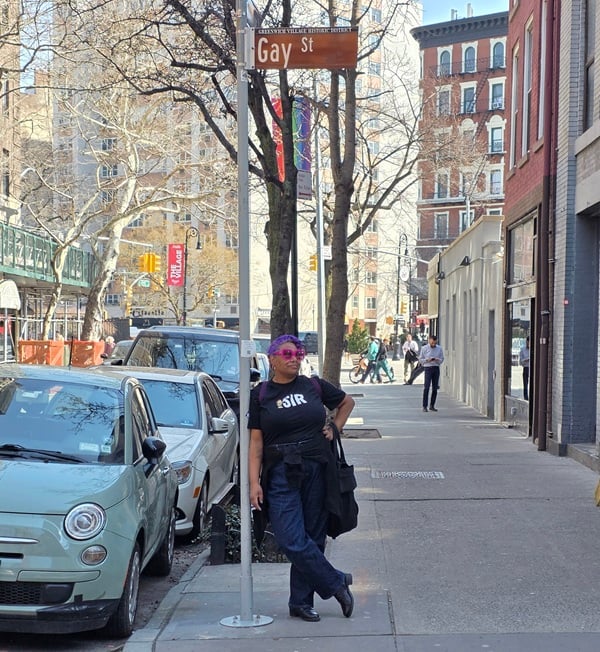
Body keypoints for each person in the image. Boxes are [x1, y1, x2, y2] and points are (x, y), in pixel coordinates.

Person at [248, 334, 356, 623]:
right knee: (290, 538)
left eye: (298, 353)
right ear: (272, 359)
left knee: (312, 536)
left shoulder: (313, 385)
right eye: (287, 354)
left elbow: (347, 402)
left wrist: (335, 427)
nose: (294, 358)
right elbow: (255, 443)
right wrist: (253, 482)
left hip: (318, 468)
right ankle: (336, 582)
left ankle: (300, 602)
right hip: (281, 472)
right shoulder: (261, 394)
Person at [419, 334, 444, 412]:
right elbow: (420, 359)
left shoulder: (439, 348)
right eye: (432, 343)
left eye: (435, 343)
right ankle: (424, 406)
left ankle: (432, 405)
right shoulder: (424, 348)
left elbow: (442, 359)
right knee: (426, 387)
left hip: (436, 367)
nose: (433, 344)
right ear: (429, 340)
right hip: (428, 368)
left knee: (435, 388)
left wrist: (437, 360)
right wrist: (427, 360)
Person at [519, 336, 530, 401]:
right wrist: (526, 360)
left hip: (532, 368)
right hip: (526, 368)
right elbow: (520, 362)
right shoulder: (523, 350)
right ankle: (526, 398)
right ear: (526, 342)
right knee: (525, 384)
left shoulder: (534, 349)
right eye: (528, 342)